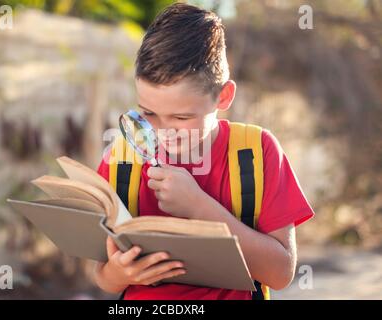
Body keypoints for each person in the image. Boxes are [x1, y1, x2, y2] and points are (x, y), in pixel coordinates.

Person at [93, 3, 314, 300]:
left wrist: (199, 207)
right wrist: (118, 274)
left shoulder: (256, 152)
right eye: (149, 113)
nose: (163, 131)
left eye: (182, 118)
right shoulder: (122, 161)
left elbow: (281, 273)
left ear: (223, 97)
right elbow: (102, 275)